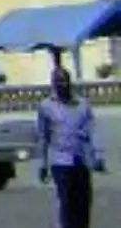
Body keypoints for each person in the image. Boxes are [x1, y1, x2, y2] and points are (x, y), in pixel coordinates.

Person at [36, 64, 103, 228]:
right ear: (53, 84)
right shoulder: (46, 106)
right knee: (66, 204)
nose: (62, 85)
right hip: (61, 162)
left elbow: (92, 133)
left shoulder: (82, 104)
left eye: (65, 81)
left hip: (82, 160)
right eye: (58, 81)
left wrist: (97, 157)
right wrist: (43, 164)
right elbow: (43, 137)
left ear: (70, 82)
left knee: (83, 205)